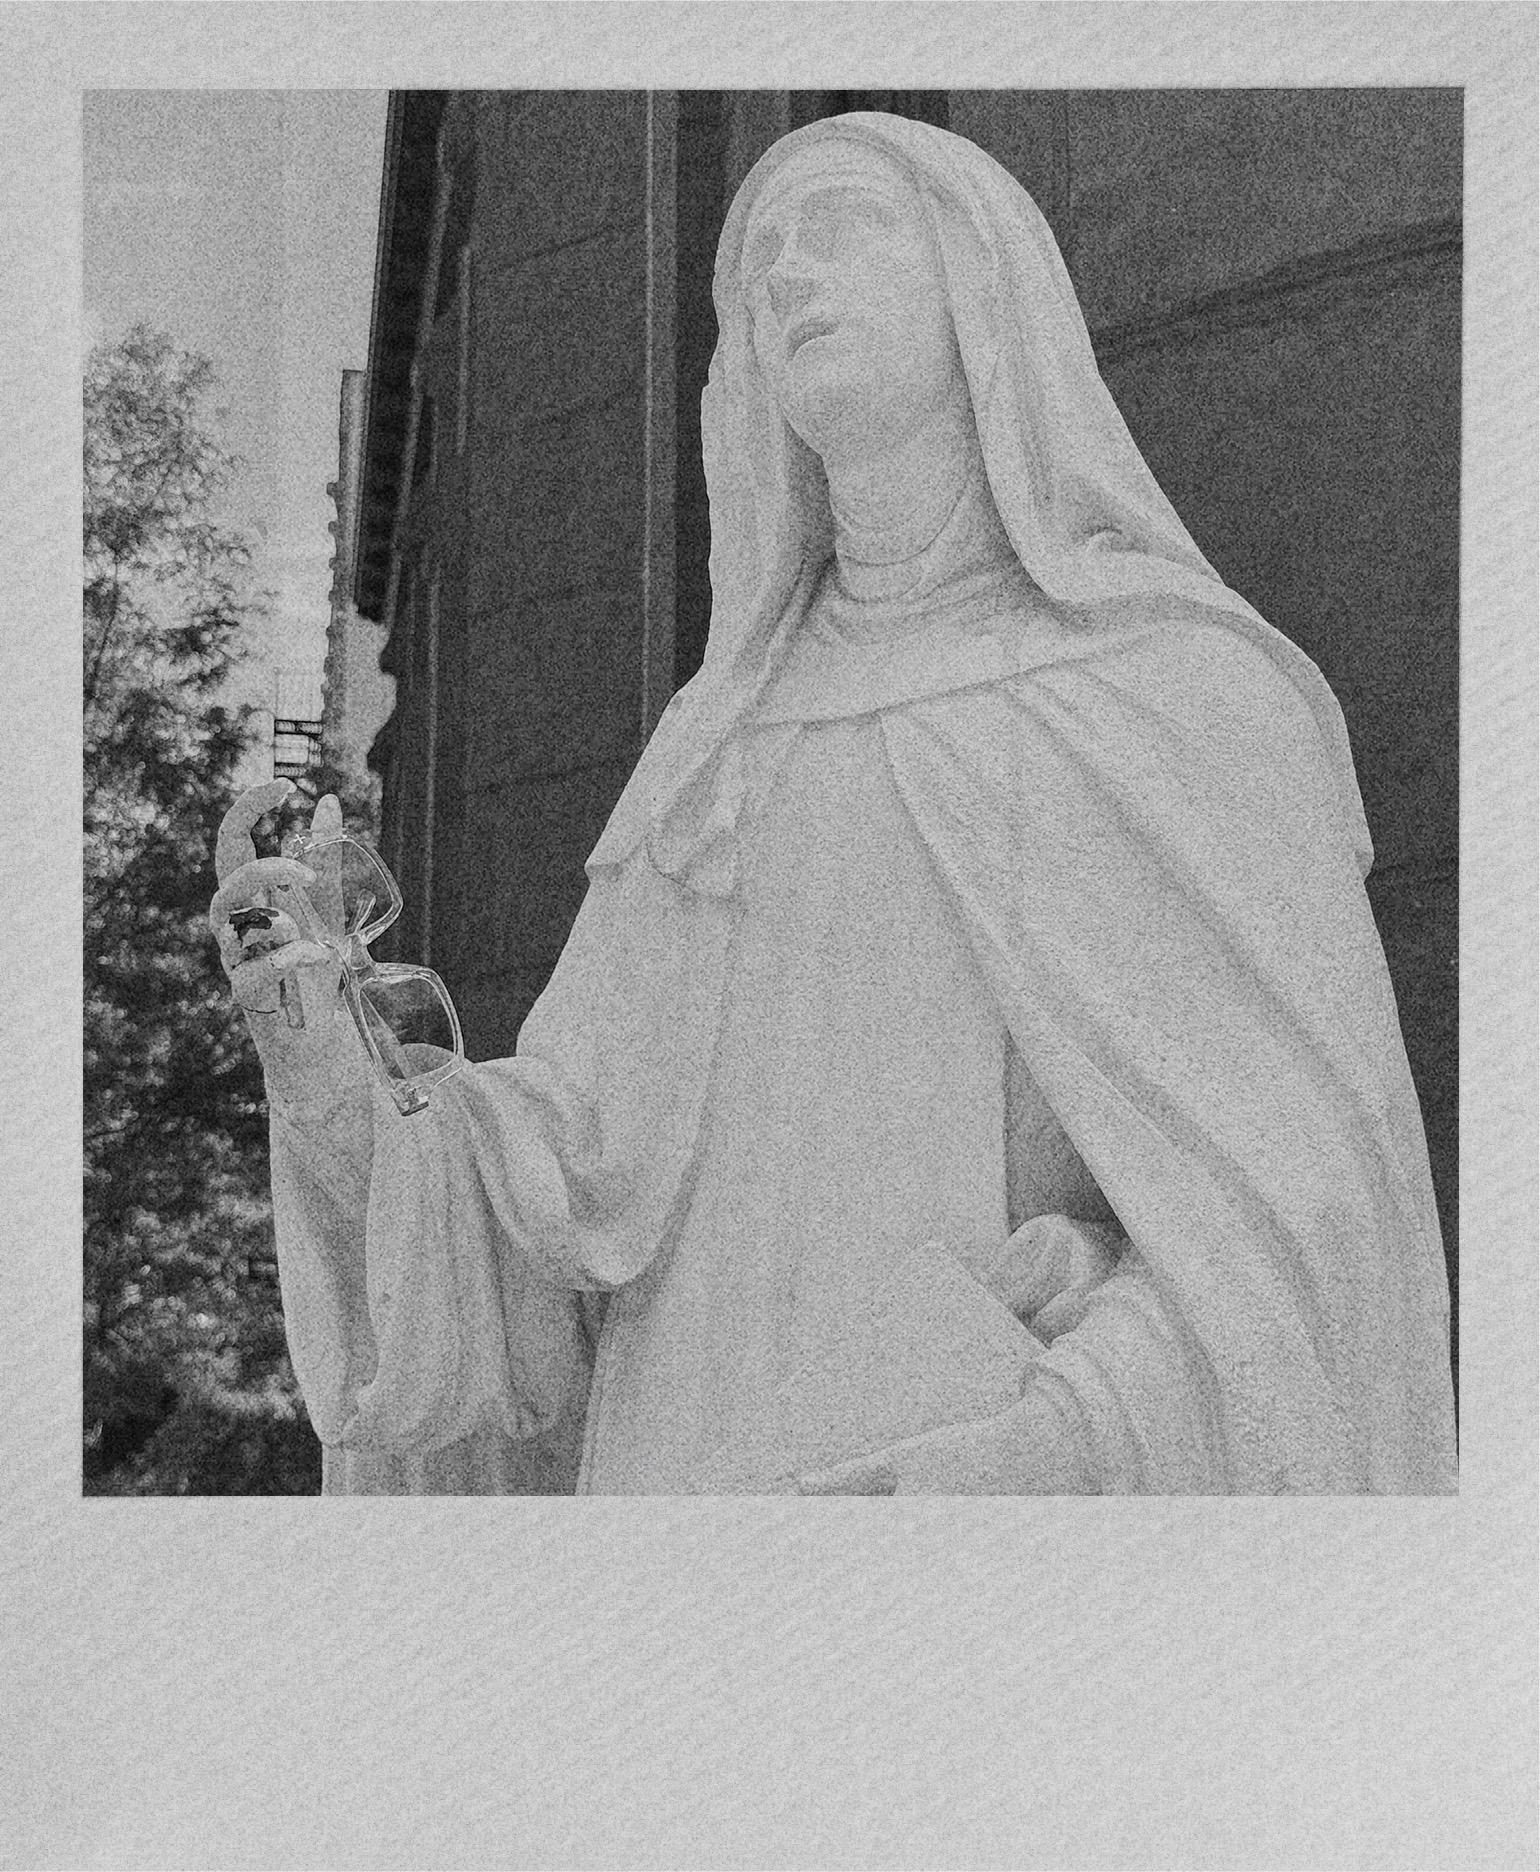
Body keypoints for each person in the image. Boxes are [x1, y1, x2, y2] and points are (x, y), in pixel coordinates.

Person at [211, 112, 1457, 1495]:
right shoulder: (716, 748)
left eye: (840, 226)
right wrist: (329, 1077)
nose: (787, 274)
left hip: (985, 1545)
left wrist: (1071, 1434)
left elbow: (1307, 1227)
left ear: (981, 281)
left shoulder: (1183, 697)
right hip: (689, 1495)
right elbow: (563, 1196)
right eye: (756, 269)